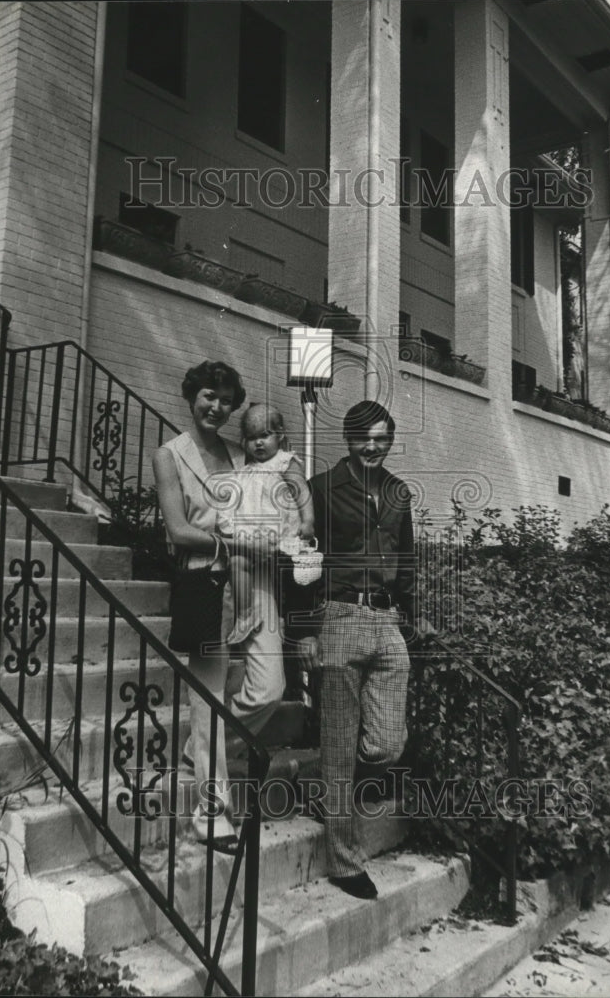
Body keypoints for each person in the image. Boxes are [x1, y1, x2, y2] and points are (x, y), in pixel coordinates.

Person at [295, 400, 432, 899]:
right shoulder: (323, 489)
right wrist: (306, 630)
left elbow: (408, 555)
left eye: (381, 438)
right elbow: (304, 558)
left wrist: (416, 613)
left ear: (390, 440)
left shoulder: (397, 492)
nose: (372, 446)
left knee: (385, 745)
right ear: (348, 440)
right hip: (338, 615)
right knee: (338, 747)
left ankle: (323, 785)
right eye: (363, 438)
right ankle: (344, 861)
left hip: (386, 621)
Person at [152, 361, 286, 854]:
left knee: (271, 689)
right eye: (210, 395)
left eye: (227, 400)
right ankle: (212, 817)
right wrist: (235, 545)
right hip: (206, 585)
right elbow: (178, 530)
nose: (217, 407)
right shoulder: (170, 455)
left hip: (257, 587)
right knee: (207, 700)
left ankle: (196, 751)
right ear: (193, 396)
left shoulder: (242, 454)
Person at [219, 403, 315, 644]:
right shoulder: (245, 470)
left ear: (280, 435)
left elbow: (302, 491)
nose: (258, 443)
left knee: (290, 579)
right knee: (238, 562)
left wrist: (309, 520)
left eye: (264, 435)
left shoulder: (284, 462)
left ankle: (284, 621)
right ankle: (246, 614)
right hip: (255, 538)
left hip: (282, 534)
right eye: (252, 438)